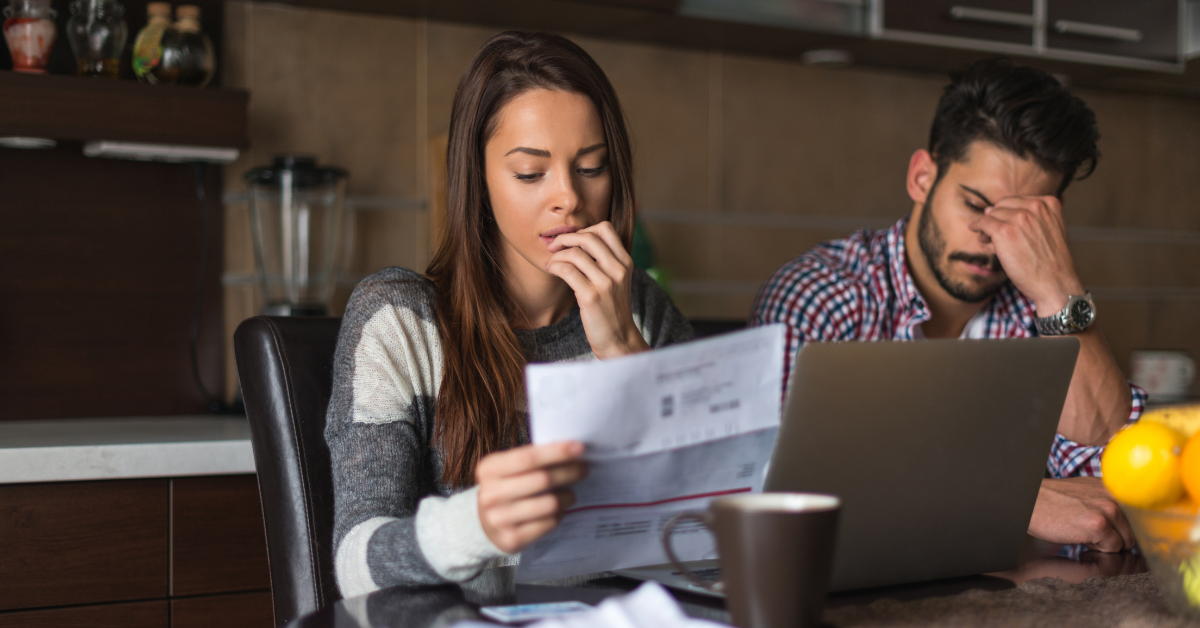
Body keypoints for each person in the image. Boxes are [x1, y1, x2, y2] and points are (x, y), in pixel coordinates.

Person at [325, 31, 693, 596]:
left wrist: (625, 352)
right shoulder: (400, 320)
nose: (568, 197)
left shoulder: (641, 309)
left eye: (591, 168)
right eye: (530, 173)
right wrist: (475, 526)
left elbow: (707, 537)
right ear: (478, 178)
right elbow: (355, 568)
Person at [750, 58, 1145, 553]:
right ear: (922, 177)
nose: (991, 238)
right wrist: (1015, 500)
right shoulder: (822, 295)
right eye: (977, 205)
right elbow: (777, 498)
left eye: (1022, 220)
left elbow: (1125, 490)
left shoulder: (1042, 313)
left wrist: (1058, 288)